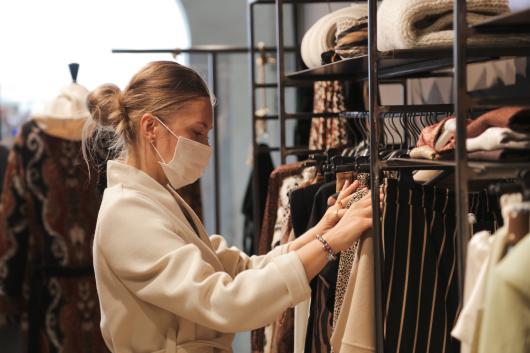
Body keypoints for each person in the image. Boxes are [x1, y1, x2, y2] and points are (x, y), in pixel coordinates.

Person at [83, 61, 373, 353]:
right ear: (150, 128)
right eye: (197, 132)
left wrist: (319, 232)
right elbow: (224, 301)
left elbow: (241, 269)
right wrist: (329, 244)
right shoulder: (127, 213)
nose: (205, 146)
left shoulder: (158, 200)